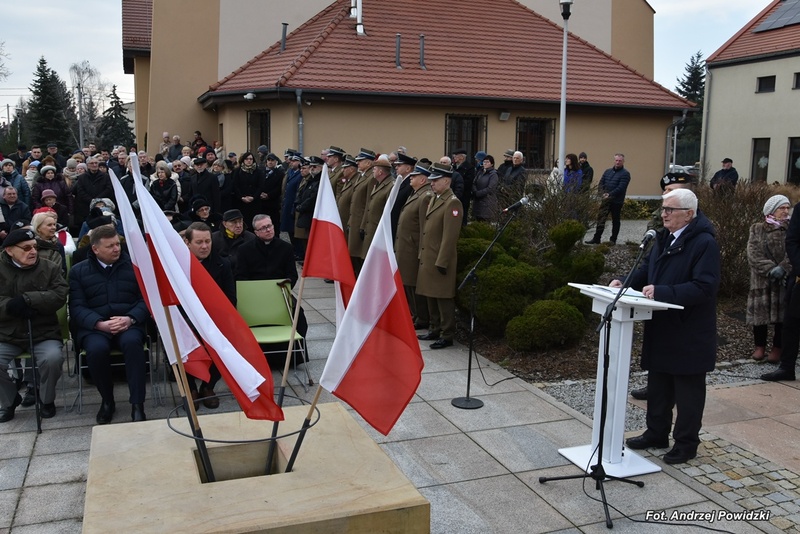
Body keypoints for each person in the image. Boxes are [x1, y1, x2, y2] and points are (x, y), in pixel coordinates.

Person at [615, 189, 720, 464]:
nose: (664, 214)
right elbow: (645, 269)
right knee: (658, 384)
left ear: (689, 214)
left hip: (689, 330)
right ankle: (656, 433)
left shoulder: (704, 243)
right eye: (663, 209)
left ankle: (686, 444)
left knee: (687, 392)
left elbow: (704, 287)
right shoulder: (662, 237)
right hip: (662, 325)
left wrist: (662, 292)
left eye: (670, 210)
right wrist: (623, 282)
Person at [69, 225, 150, 424]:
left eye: (117, 244)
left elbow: (146, 300)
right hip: (96, 327)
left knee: (133, 344)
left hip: (129, 323)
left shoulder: (134, 267)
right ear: (95, 249)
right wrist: (98, 324)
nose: (116, 249)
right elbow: (77, 307)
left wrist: (130, 318)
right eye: (110, 246)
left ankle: (137, 404)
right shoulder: (78, 271)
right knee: (96, 350)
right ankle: (107, 401)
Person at [0, 228, 67, 422]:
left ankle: (46, 400)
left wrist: (30, 299)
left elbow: (60, 295)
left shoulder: (49, 267)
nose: (33, 252)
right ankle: (10, 400)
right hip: (8, 333)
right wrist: (10, 306)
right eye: (26, 248)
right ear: (10, 250)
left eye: (35, 247)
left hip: (42, 331)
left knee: (52, 359)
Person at [184, 222, 235, 409]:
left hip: (214, 318)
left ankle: (208, 387)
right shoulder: (177, 265)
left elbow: (230, 298)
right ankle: (190, 388)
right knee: (178, 339)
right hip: (186, 321)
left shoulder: (223, 264)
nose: (204, 246)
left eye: (208, 241)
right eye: (199, 242)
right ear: (187, 243)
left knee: (226, 340)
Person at [416, 163, 464, 349]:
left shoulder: (452, 202)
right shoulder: (435, 198)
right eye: (431, 180)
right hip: (429, 256)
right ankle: (434, 328)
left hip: (441, 258)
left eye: (435, 181)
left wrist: (442, 261)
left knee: (443, 297)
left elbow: (450, 236)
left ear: (446, 181)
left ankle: (447, 333)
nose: (432, 183)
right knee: (430, 294)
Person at [747, 195, 791, 363]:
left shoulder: (791, 228)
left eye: (788, 208)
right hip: (762, 279)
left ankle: (777, 348)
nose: (786, 211)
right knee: (760, 315)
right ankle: (759, 347)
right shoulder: (757, 228)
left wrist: (784, 268)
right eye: (782, 208)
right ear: (772, 210)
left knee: (782, 316)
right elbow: (753, 253)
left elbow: (794, 251)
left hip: (783, 280)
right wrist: (771, 269)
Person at [395, 162, 433, 330]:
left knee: (413, 284)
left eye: (415, 176)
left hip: (413, 247)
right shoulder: (415, 193)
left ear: (423, 179)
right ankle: (414, 314)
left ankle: (421, 317)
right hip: (406, 246)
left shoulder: (424, 196)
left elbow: (424, 226)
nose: (411, 178)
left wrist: (420, 250)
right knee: (407, 283)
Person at [585, 153, 631, 245]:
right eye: (616, 160)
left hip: (616, 201)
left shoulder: (625, 174)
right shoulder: (607, 171)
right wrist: (601, 193)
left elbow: (621, 187)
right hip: (605, 200)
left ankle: (613, 240)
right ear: (614, 160)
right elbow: (601, 182)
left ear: (623, 161)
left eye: (620, 161)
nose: (618, 162)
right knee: (601, 219)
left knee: (615, 220)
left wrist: (609, 194)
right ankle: (596, 238)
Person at [360, 154, 395, 258]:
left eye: (374, 169)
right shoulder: (378, 184)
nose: (373, 172)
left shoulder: (390, 186)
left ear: (380, 172)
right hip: (370, 230)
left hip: (379, 231)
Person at [212, 209, 256, 274]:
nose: (238, 225)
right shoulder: (214, 239)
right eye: (234, 222)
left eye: (240, 221)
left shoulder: (251, 238)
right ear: (225, 224)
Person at [233, 152, 265, 229]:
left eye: (251, 159)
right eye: (247, 159)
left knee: (254, 224)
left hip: (254, 201)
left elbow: (260, 186)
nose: (249, 161)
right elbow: (235, 186)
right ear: (243, 160)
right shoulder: (237, 171)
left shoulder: (258, 171)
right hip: (241, 201)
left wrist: (253, 197)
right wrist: (241, 197)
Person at [472, 155, 498, 222]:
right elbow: (474, 183)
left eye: (487, 162)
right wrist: (475, 191)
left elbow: (490, 188)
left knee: (485, 222)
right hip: (477, 201)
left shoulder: (493, 174)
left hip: (487, 202)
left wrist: (479, 193)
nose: (485, 163)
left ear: (492, 164)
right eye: (484, 162)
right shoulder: (480, 172)